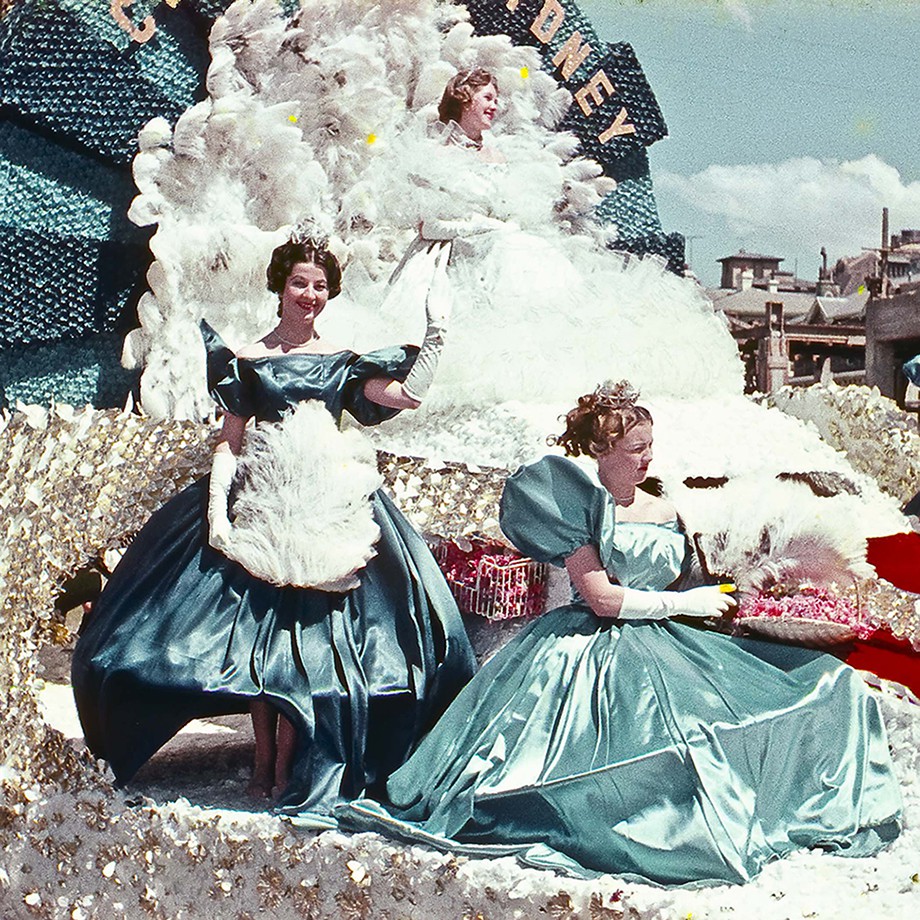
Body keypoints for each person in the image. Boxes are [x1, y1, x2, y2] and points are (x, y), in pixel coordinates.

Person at [339, 381, 902, 885]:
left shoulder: (664, 502)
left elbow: (689, 576)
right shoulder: (582, 508)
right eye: (635, 450)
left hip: (668, 635)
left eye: (650, 446)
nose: (647, 458)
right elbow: (602, 598)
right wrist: (685, 601)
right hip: (592, 648)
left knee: (821, 687)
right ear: (599, 452)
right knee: (649, 749)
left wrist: (734, 597)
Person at [71, 234, 475, 822]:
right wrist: (217, 511)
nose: (309, 296)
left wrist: (437, 333)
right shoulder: (249, 359)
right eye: (299, 283)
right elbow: (231, 444)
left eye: (319, 286)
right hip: (265, 502)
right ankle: (264, 759)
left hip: (325, 506)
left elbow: (407, 395)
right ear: (280, 287)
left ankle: (287, 761)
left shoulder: (342, 361)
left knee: (309, 640)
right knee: (258, 637)